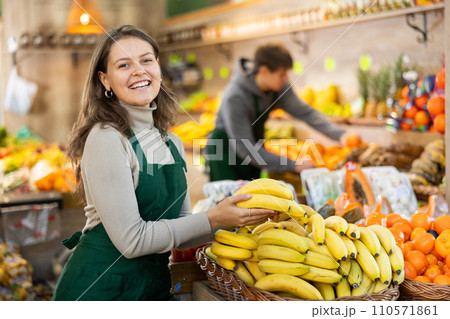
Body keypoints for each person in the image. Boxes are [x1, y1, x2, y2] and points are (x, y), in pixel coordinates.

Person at [51, 25, 278, 301]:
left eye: (146, 60)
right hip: (102, 288)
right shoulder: (107, 138)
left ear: (158, 67)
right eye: (124, 64)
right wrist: (212, 217)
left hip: (152, 287)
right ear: (105, 80)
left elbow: (178, 230)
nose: (139, 70)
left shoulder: (171, 142)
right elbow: (133, 241)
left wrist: (234, 220)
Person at [205, 42, 354, 182]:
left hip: (253, 149)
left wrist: (340, 135)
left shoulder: (278, 88)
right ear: (264, 71)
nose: (286, 79)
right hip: (225, 152)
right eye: (282, 74)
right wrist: (293, 165)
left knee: (251, 201)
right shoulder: (236, 97)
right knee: (228, 202)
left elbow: (306, 113)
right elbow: (245, 147)